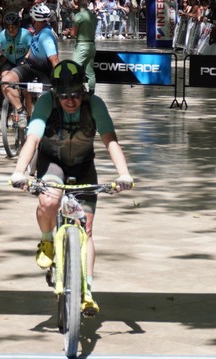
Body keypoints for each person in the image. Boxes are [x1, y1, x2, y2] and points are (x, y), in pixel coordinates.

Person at [7, 60, 134, 317]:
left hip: (84, 166)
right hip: (53, 163)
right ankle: (47, 240)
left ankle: (87, 291)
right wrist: (19, 171)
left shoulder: (95, 105)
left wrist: (124, 173)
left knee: (87, 230)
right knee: (49, 201)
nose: (71, 100)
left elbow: (110, 140)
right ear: (56, 93)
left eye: (76, 94)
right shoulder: (46, 103)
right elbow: (33, 138)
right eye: (64, 95)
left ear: (83, 90)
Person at [5, 2, 60, 127]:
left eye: (32, 19)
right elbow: (34, 47)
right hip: (30, 67)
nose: (31, 21)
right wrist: (25, 58)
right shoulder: (38, 32)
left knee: (43, 103)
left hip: (44, 72)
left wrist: (59, 79)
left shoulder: (46, 36)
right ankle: (21, 111)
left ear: (35, 20)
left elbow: (54, 59)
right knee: (6, 81)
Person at [0, 9, 33, 109]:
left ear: (18, 25)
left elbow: (32, 48)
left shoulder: (26, 34)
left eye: (13, 27)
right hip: (10, 61)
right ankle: (11, 102)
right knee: (4, 77)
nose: (11, 30)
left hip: (23, 61)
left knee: (26, 92)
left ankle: (29, 114)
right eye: (8, 28)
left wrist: (27, 57)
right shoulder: (2, 36)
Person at [66, 0, 98, 93]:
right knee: (90, 72)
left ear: (77, 4)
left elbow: (73, 34)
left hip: (82, 46)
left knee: (74, 69)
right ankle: (91, 93)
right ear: (87, 4)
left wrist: (68, 32)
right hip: (92, 46)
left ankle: (75, 91)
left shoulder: (79, 16)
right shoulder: (93, 16)